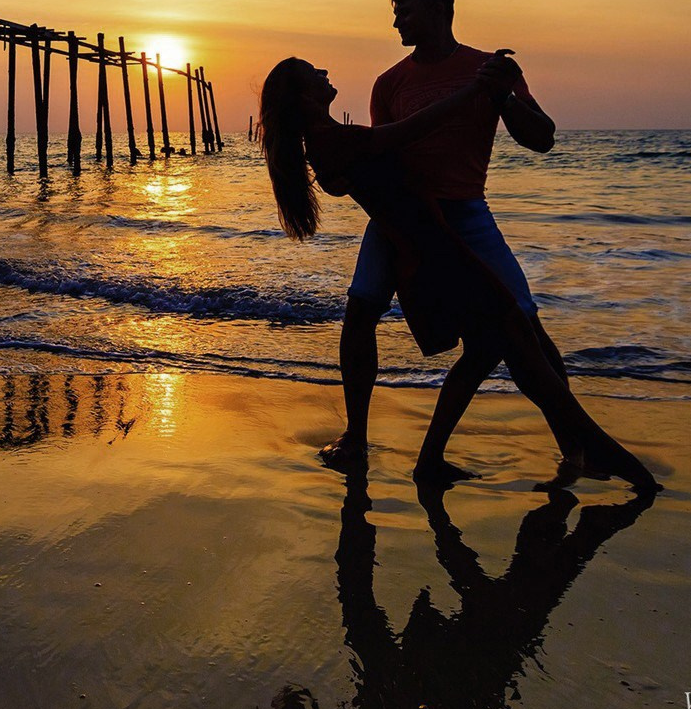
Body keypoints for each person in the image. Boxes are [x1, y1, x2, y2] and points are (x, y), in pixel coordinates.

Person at [258, 53, 656, 492]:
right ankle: (592, 444)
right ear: (303, 97)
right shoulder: (334, 141)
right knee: (512, 335)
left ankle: (439, 459)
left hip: (435, 244)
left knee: (496, 343)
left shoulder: (329, 140)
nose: (324, 72)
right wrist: (475, 91)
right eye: (313, 73)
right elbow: (414, 129)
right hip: (436, 252)